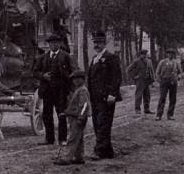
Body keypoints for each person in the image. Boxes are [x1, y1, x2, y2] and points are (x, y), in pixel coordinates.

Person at [33, 34, 74, 145]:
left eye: (55, 42)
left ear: (60, 44)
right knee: (47, 115)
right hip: (47, 90)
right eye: (51, 43)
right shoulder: (43, 57)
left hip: (61, 90)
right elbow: (35, 71)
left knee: (61, 114)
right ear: (48, 44)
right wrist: (43, 76)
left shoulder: (66, 56)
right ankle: (49, 139)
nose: (53, 45)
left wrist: (70, 87)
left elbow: (74, 71)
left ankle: (62, 139)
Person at [87, 30, 122, 160]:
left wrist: (112, 94)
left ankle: (99, 151)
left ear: (104, 43)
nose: (97, 45)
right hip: (95, 97)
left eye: (99, 42)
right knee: (97, 123)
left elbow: (116, 77)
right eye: (95, 42)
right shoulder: (94, 59)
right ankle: (107, 151)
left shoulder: (111, 57)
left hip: (106, 98)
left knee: (103, 123)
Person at [54, 70, 90, 165]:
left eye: (78, 79)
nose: (75, 81)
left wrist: (81, 117)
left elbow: (85, 105)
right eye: (74, 79)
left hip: (78, 117)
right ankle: (79, 157)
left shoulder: (82, 90)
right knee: (79, 138)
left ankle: (67, 157)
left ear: (83, 79)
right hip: (74, 116)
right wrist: (66, 113)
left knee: (73, 138)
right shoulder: (78, 90)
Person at [155, 48, 181, 121]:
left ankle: (170, 115)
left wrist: (178, 77)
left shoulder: (176, 63)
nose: (170, 55)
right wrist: (160, 81)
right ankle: (159, 115)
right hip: (164, 81)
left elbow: (180, 72)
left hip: (173, 82)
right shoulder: (162, 62)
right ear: (167, 54)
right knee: (162, 98)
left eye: (172, 54)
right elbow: (157, 72)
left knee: (173, 99)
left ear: (174, 55)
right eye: (169, 53)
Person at [127, 49, 155, 114]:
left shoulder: (149, 61)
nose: (145, 56)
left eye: (145, 54)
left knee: (147, 95)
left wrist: (152, 80)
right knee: (139, 95)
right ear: (140, 55)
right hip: (140, 80)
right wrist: (134, 77)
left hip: (147, 80)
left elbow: (151, 71)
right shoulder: (136, 61)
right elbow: (128, 70)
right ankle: (137, 109)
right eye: (143, 54)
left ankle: (147, 109)